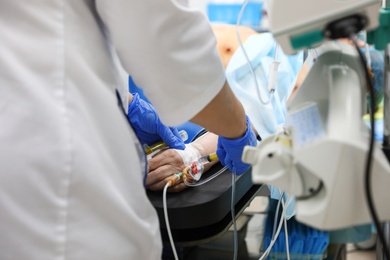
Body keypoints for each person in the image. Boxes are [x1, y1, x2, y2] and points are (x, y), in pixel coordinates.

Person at [0, 1, 257, 260]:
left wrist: (128, 102)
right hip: (56, 176)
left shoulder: (261, 60)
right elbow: (174, 49)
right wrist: (233, 130)